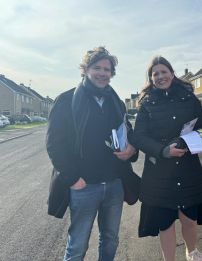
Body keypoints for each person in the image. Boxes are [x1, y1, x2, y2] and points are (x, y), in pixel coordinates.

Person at [46, 46, 140, 261]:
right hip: (83, 186)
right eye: (96, 67)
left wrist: (132, 150)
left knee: (110, 239)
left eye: (107, 69)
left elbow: (129, 134)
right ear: (85, 70)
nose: (102, 73)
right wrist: (73, 179)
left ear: (112, 74)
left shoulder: (116, 102)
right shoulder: (66, 100)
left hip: (114, 184)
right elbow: (54, 145)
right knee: (78, 244)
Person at [134, 56, 202, 261]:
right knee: (165, 222)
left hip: (187, 169)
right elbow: (139, 137)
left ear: (172, 73)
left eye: (163, 71)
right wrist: (163, 151)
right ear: (151, 78)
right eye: (155, 73)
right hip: (159, 172)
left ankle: (191, 252)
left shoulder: (189, 97)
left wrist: (183, 143)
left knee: (189, 218)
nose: (160, 76)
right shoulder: (146, 103)